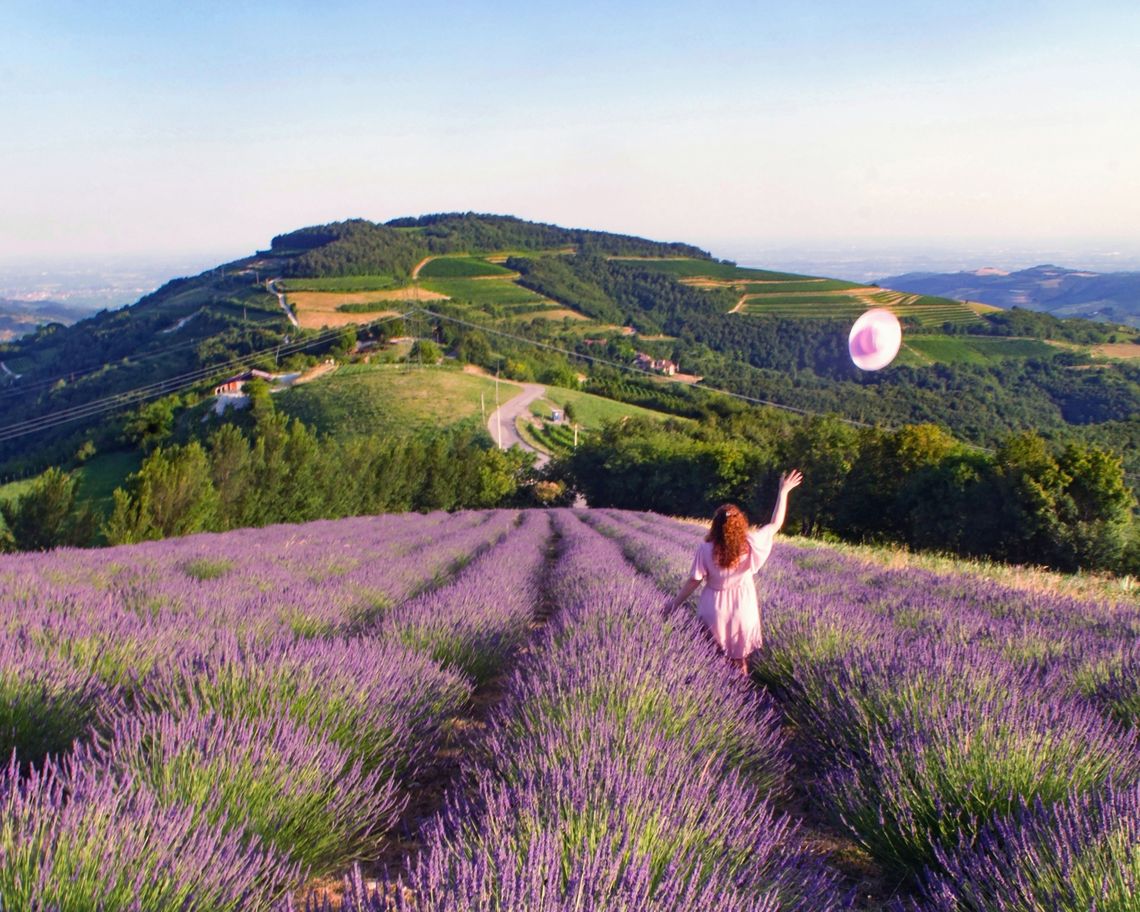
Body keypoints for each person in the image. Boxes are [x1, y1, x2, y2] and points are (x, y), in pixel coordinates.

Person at [663, 470, 803, 675]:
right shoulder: (750, 544)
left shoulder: (706, 548)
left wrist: (674, 604)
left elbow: (694, 581)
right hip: (742, 608)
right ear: (741, 524)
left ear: (716, 525)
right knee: (740, 663)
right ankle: (742, 699)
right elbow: (775, 525)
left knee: (710, 661)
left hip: (713, 609)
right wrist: (783, 492)